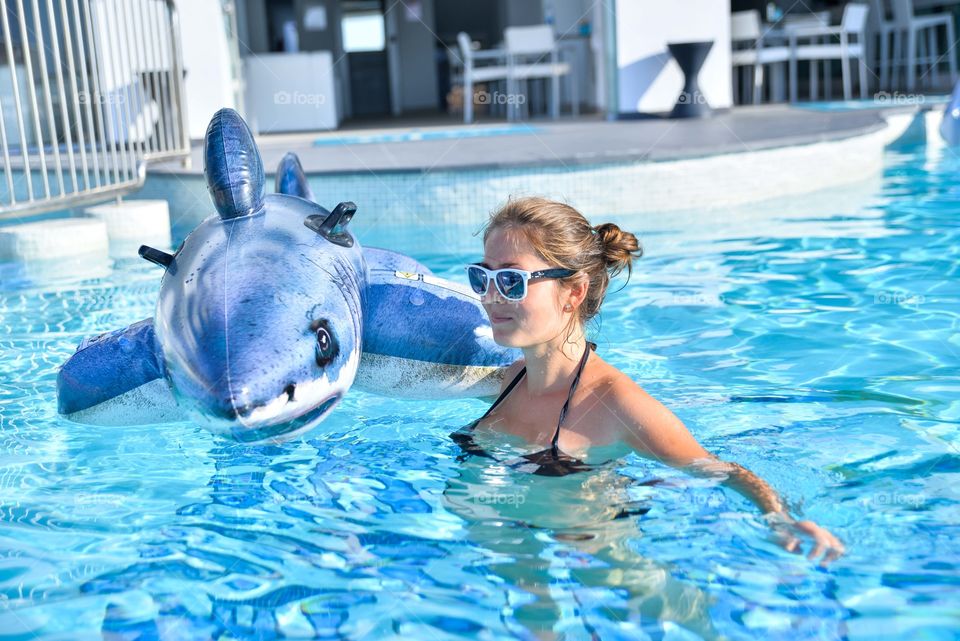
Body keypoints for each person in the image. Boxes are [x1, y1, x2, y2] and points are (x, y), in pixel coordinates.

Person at [452, 196, 845, 567]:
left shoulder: (616, 404)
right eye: (482, 277)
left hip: (604, 563)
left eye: (511, 281)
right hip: (514, 557)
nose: (490, 297)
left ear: (572, 293)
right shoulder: (511, 378)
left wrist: (779, 520)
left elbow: (721, 471)